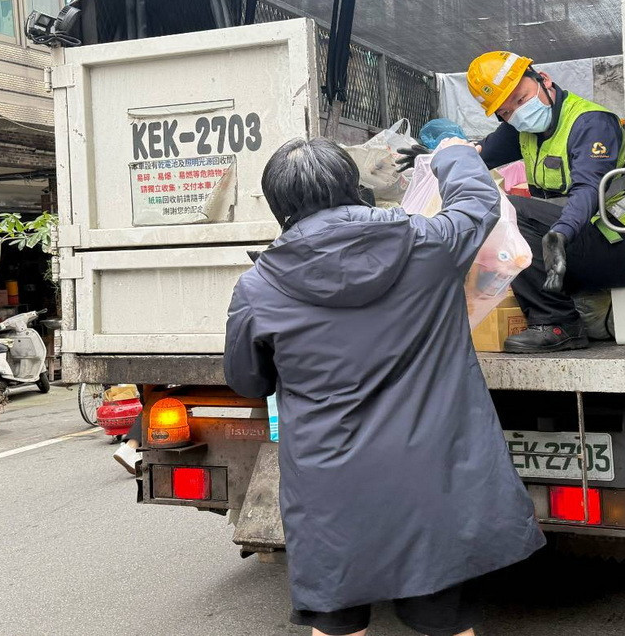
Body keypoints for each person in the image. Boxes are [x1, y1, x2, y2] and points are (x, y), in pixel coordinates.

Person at [225, 137, 544, 636]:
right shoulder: (429, 242)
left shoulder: (258, 287)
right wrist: (452, 153)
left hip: (328, 490)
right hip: (431, 477)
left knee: (337, 620)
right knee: (441, 618)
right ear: (353, 187)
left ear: (279, 207)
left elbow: (248, 381)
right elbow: (478, 203)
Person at [400, 51, 625, 352]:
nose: (517, 114)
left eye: (520, 100)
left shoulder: (591, 124)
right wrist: (434, 159)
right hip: (565, 246)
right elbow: (477, 156)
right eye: (506, 112)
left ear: (543, 80)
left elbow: (588, 189)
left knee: (504, 208)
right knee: (483, 208)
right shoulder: (522, 129)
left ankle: (558, 323)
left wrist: (561, 233)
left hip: (616, 244)